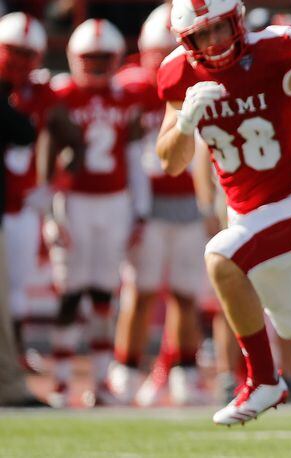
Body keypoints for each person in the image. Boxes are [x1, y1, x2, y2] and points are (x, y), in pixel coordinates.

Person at [156, 0, 291, 436]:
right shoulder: (179, 73)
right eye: (204, 34)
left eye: (221, 28)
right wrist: (184, 124)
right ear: (188, 39)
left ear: (237, 21)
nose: (216, 42)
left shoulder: (275, 52)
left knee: (220, 256)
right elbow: (172, 161)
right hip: (248, 217)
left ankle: (263, 379)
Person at [108, 3, 209, 406]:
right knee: (142, 291)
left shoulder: (201, 81)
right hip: (148, 205)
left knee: (186, 294)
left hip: (187, 201)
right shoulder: (131, 86)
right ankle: (126, 369)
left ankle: (184, 368)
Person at [45, 18, 145, 408]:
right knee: (70, 293)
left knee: (105, 293)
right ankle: (61, 381)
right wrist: (53, 212)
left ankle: (102, 381)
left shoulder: (126, 97)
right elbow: (47, 155)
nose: (98, 65)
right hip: (75, 202)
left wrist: (140, 211)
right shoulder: (61, 94)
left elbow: (134, 159)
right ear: (73, 58)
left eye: (104, 58)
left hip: (114, 201)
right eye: (90, 58)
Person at [0, 13, 54, 372]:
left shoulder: (44, 93)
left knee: (14, 286)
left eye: (26, 52)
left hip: (21, 202)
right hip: (9, 201)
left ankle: (13, 356)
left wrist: (49, 184)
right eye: (12, 50)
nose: (18, 59)